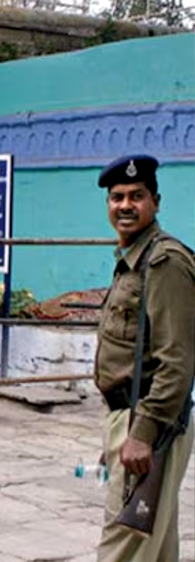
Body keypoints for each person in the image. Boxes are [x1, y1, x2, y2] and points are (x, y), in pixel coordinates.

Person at [94, 154, 195, 562]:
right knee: (153, 548)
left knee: (122, 547)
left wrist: (142, 433)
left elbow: (178, 360)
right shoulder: (132, 260)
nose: (125, 205)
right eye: (117, 197)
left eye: (136, 196)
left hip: (150, 421)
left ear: (155, 201)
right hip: (129, 417)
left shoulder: (164, 262)